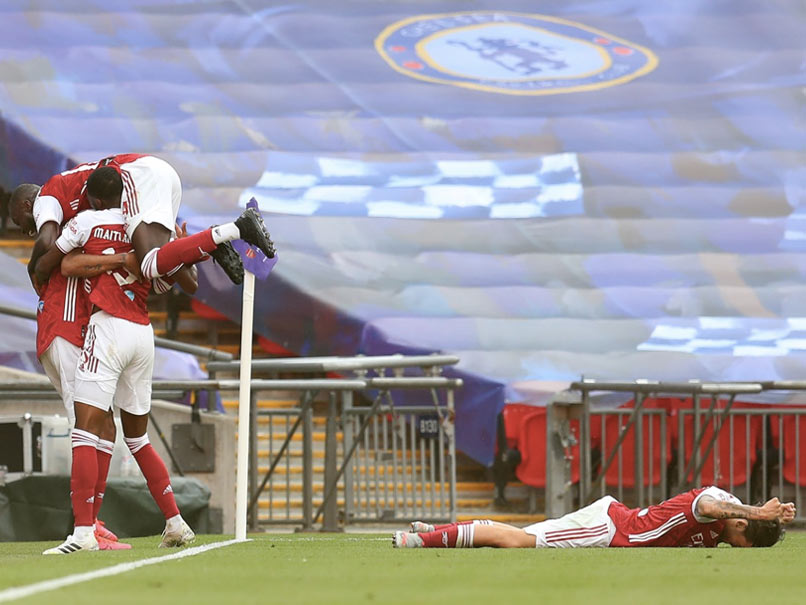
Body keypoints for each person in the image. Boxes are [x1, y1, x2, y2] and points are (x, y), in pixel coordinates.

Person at [36, 203, 197, 554]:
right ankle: (175, 521)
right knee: (137, 437)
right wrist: (179, 252)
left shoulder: (89, 222)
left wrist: (111, 259)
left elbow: (63, 263)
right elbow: (175, 283)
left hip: (108, 328)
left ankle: (82, 532)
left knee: (84, 428)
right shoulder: (146, 233)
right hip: (143, 333)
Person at [8, 173, 144, 551]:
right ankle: (83, 528)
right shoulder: (69, 231)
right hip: (64, 331)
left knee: (102, 424)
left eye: (23, 224)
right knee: (84, 426)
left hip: (71, 333)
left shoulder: (70, 227)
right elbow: (44, 261)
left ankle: (92, 522)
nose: (27, 232)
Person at [392, 486, 796, 549]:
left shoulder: (736, 516)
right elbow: (706, 506)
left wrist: (773, 519)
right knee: (517, 541)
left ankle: (433, 531)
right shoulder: (719, 509)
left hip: (612, 520)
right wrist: (759, 511)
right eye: (740, 543)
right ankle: (419, 542)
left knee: (516, 535)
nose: (732, 545)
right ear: (740, 524)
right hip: (611, 528)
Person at [83, 155, 276, 286]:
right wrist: (190, 248)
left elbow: (66, 265)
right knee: (159, 277)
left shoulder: (85, 215)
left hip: (150, 174)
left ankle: (234, 229)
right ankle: (214, 240)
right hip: (135, 327)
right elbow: (188, 285)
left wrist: (119, 259)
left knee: (149, 265)